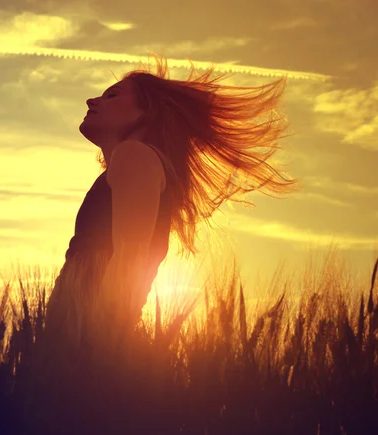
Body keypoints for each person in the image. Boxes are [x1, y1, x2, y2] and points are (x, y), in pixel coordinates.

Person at [42, 52, 298, 362]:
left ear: (145, 113)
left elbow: (131, 257)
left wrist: (97, 354)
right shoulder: (138, 162)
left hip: (86, 349)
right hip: (75, 345)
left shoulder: (134, 155)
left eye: (112, 95)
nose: (91, 100)